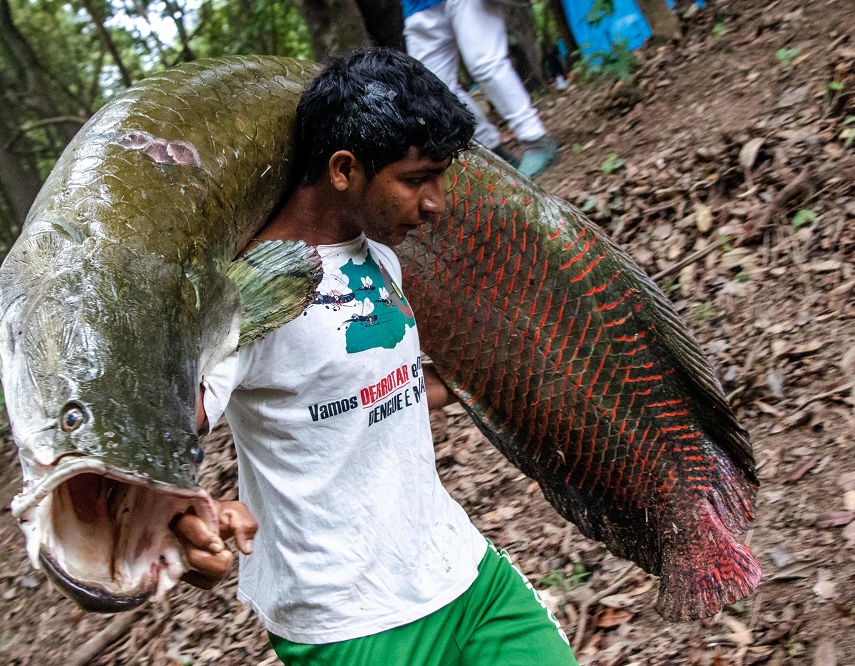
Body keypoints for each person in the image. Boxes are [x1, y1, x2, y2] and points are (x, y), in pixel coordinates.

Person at [172, 50, 578, 665]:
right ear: (344, 169)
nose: (436, 200)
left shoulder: (379, 254)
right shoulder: (245, 295)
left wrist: (498, 377)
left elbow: (383, 389)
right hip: (349, 620)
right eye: (418, 178)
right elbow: (160, 424)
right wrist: (185, 513)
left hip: (460, 571)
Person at [401, 0, 559, 179]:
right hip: (416, 6)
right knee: (431, 90)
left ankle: (536, 140)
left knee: (486, 64)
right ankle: (494, 155)